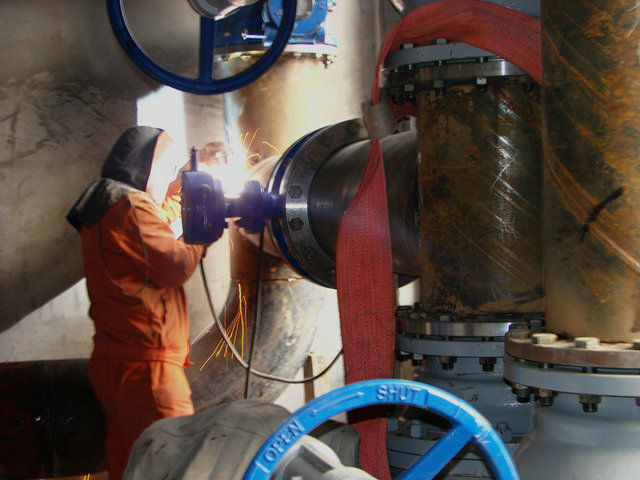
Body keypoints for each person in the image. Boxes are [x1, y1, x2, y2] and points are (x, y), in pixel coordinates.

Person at [67, 126, 207, 480]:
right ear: (146, 165)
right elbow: (176, 265)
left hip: (118, 361)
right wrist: (203, 230)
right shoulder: (129, 206)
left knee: (131, 466)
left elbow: (156, 222)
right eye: (167, 168)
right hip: (147, 371)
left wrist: (182, 189)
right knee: (173, 467)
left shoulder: (109, 202)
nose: (170, 175)